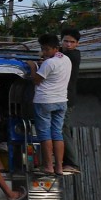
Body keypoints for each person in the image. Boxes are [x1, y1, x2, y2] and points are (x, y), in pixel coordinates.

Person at [29, 33, 72, 175]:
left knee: (45, 134)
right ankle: (59, 167)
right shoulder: (66, 59)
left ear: (56, 48)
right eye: (43, 49)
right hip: (61, 101)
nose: (44, 52)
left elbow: (36, 80)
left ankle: (48, 166)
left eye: (47, 49)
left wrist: (33, 66)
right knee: (57, 134)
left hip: (45, 101)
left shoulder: (48, 63)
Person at [60, 29, 82, 174]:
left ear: (77, 44)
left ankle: (72, 163)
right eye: (66, 41)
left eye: (72, 42)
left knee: (63, 129)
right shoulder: (61, 54)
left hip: (67, 99)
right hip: (62, 98)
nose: (68, 44)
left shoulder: (73, 55)